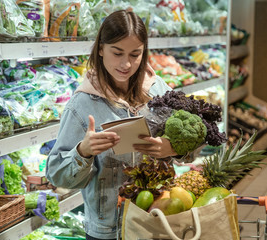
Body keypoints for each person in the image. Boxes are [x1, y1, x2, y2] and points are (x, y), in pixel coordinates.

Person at [46, 9, 177, 240]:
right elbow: (56, 175)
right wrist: (83, 152)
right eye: (117, 53)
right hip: (108, 231)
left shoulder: (159, 91)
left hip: (160, 222)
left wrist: (173, 147)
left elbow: (196, 139)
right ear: (100, 49)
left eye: (135, 54)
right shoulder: (82, 104)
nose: (126, 64)